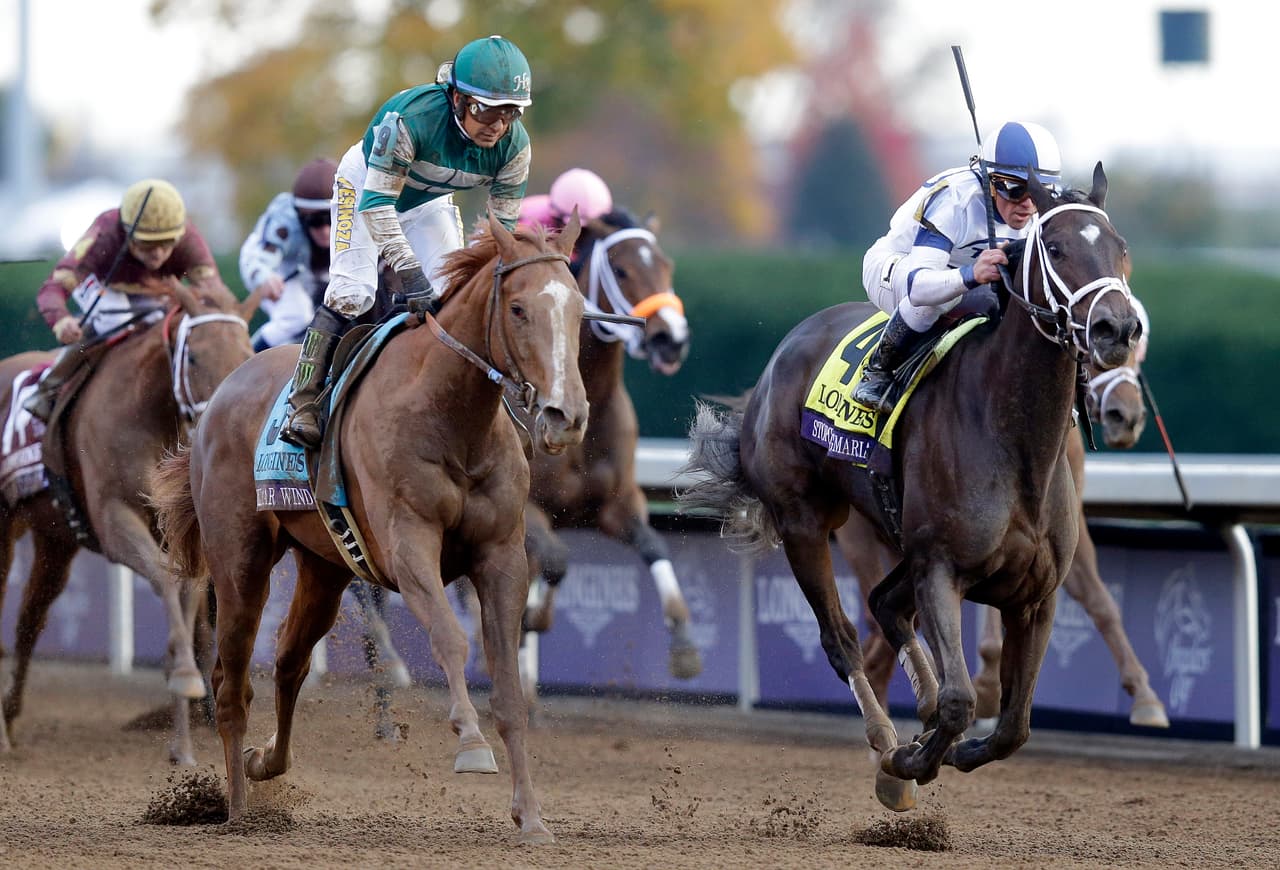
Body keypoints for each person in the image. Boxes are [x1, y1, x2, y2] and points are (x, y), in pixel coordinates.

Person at [280, 34, 534, 449]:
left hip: (428, 201)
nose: (497, 126)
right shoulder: (409, 120)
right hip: (368, 189)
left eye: (509, 112)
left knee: (454, 293)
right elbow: (378, 206)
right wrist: (410, 272)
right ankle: (303, 399)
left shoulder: (516, 147)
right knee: (353, 292)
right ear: (456, 98)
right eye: (485, 110)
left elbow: (498, 237)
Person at [852, 120, 1062, 409]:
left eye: (1040, 191)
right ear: (990, 182)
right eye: (1015, 189)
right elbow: (919, 288)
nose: (1027, 204)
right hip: (898, 269)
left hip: (966, 280)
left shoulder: (1039, 214)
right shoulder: (955, 200)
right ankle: (879, 371)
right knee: (937, 300)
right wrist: (971, 274)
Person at [25, 178, 222, 421]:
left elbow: (214, 294)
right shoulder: (105, 232)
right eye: (147, 244)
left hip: (158, 294)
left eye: (166, 243)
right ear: (126, 232)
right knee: (111, 322)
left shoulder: (188, 237)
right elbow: (54, 285)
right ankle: (49, 388)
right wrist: (61, 320)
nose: (158, 253)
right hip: (105, 287)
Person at [240, 157, 336, 350]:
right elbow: (261, 261)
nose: (325, 230)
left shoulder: (357, 217)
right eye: (315, 222)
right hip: (279, 265)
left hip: (315, 270)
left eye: (332, 219)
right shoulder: (285, 223)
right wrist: (264, 278)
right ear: (300, 216)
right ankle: (245, 361)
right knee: (296, 316)